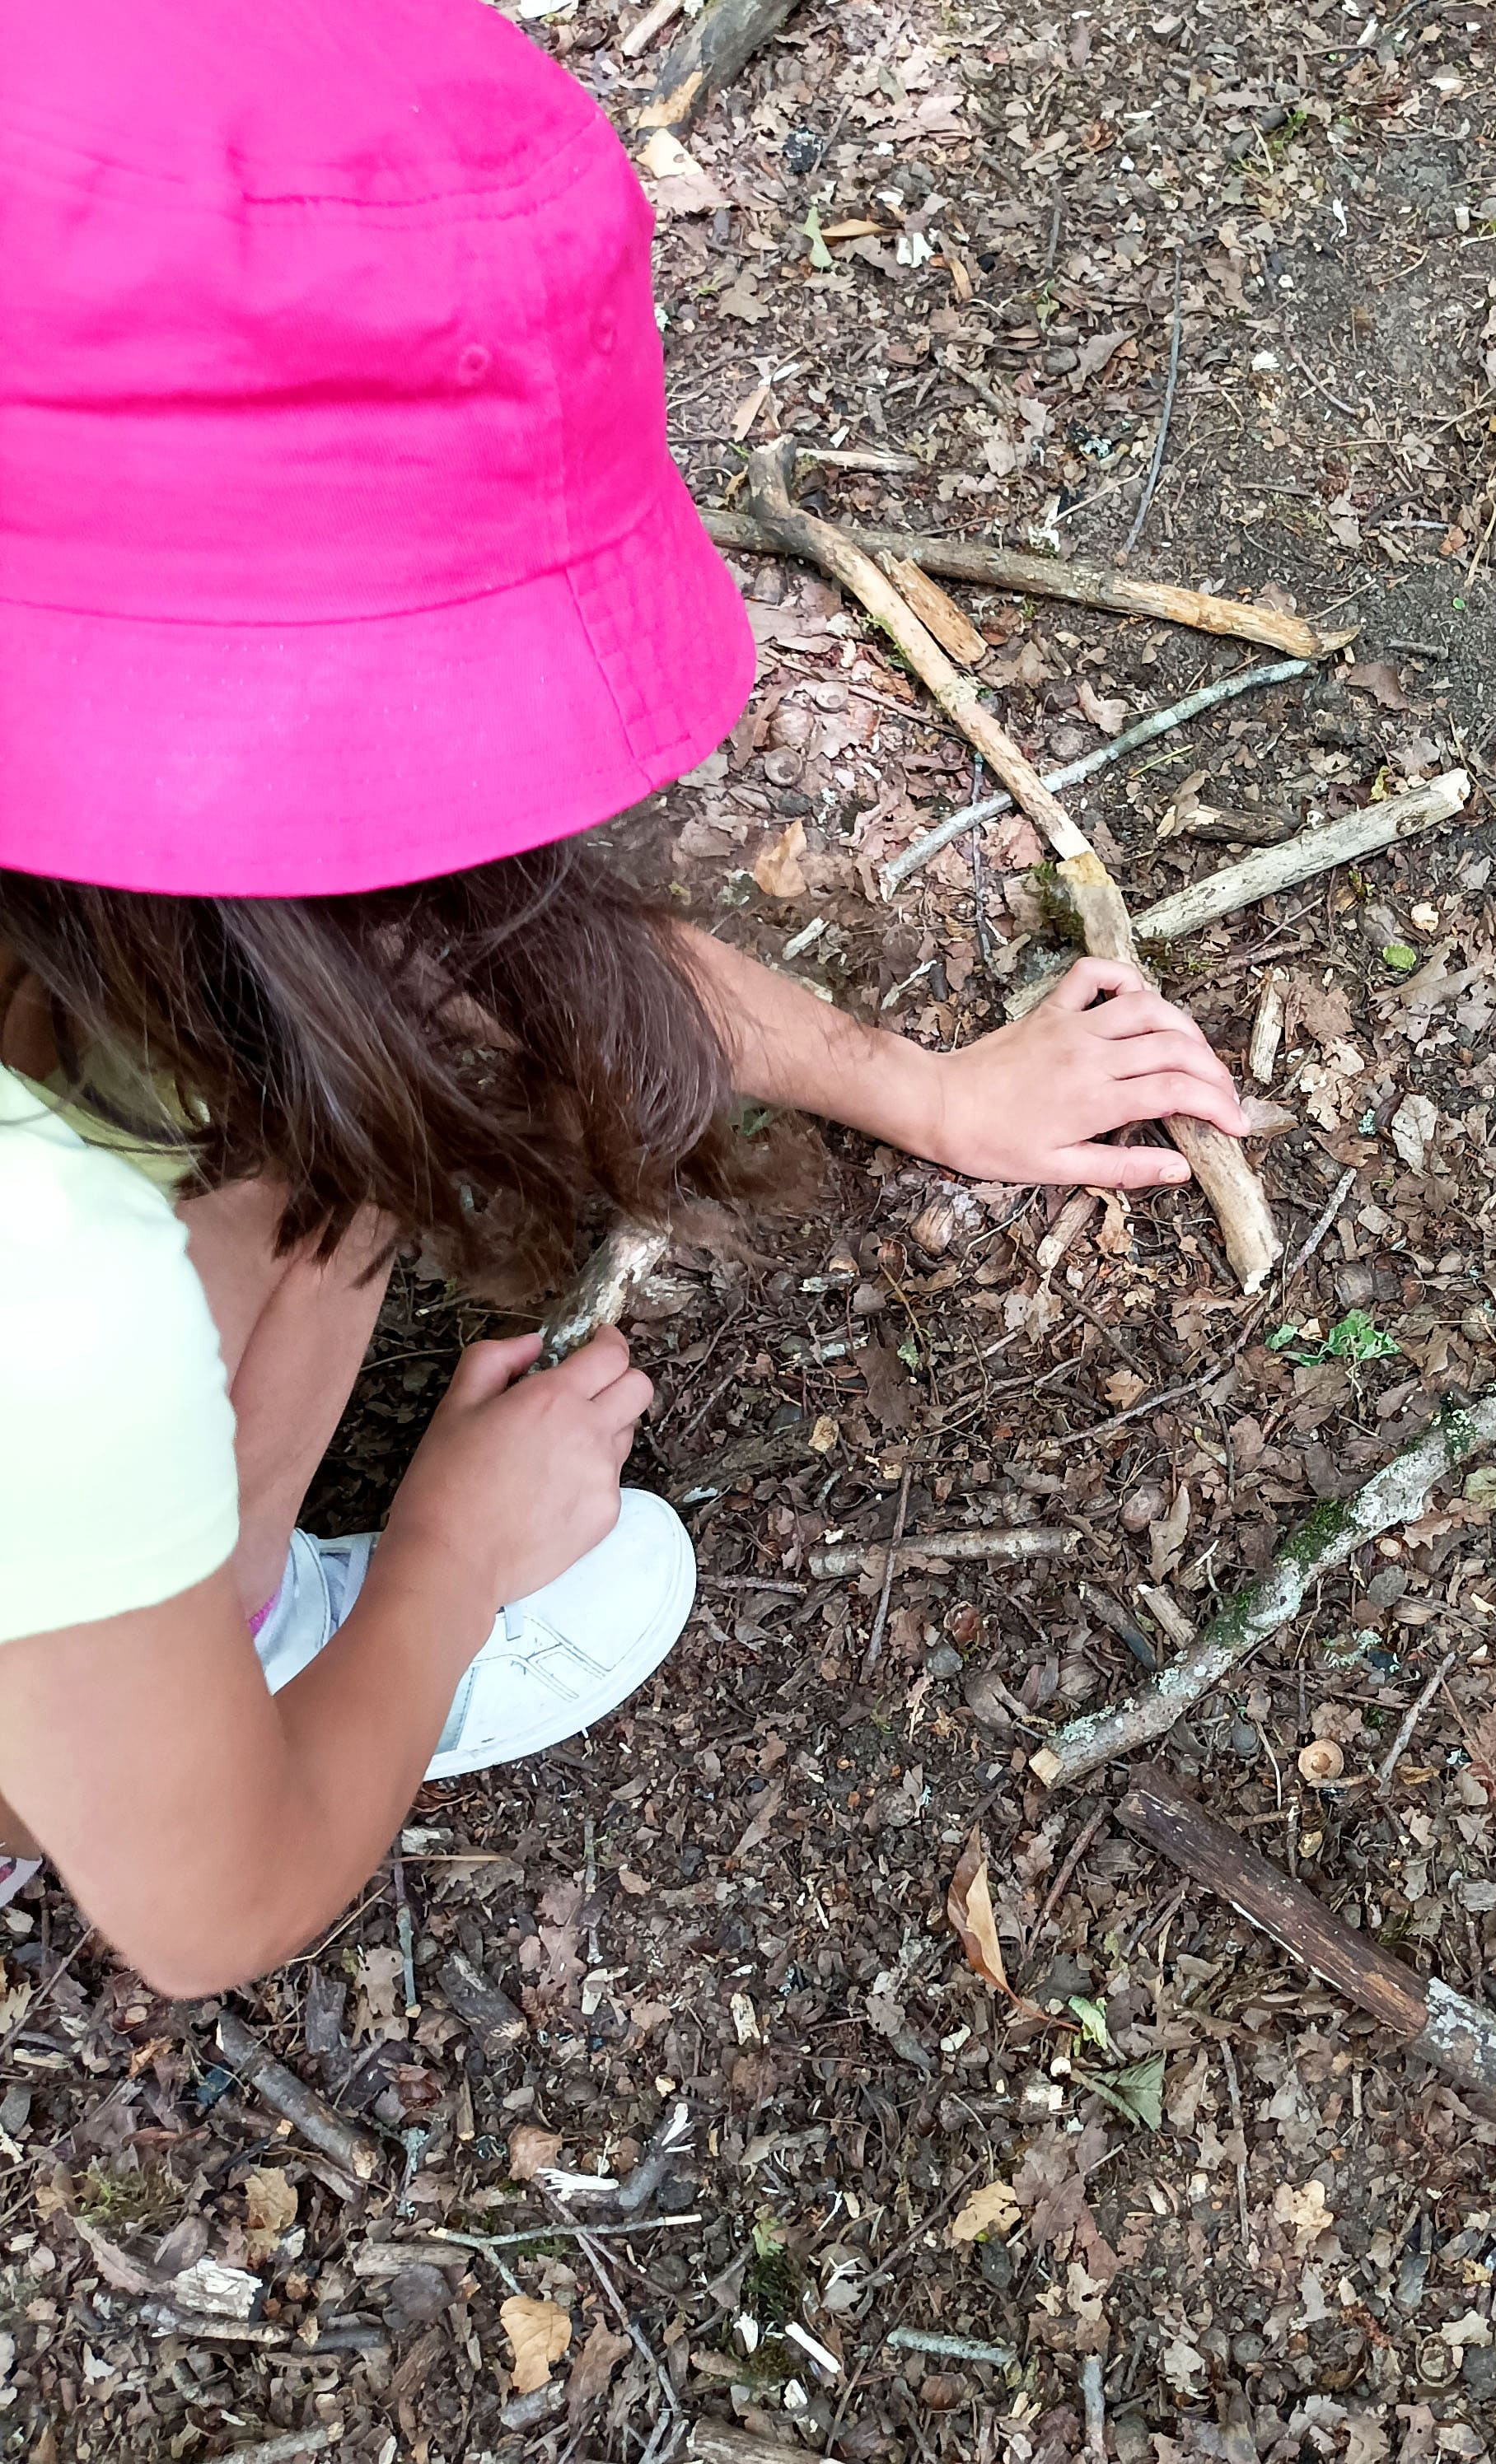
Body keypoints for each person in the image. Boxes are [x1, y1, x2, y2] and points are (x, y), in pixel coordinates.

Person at [0, 0, 1247, 2000]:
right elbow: (211, 1907)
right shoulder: (43, 1288)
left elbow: (451, 962)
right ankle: (200, 1663)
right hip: (91, 1546)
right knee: (328, 1194)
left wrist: (918, 1086)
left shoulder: (119, 906)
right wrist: (449, 1557)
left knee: (326, 1131)